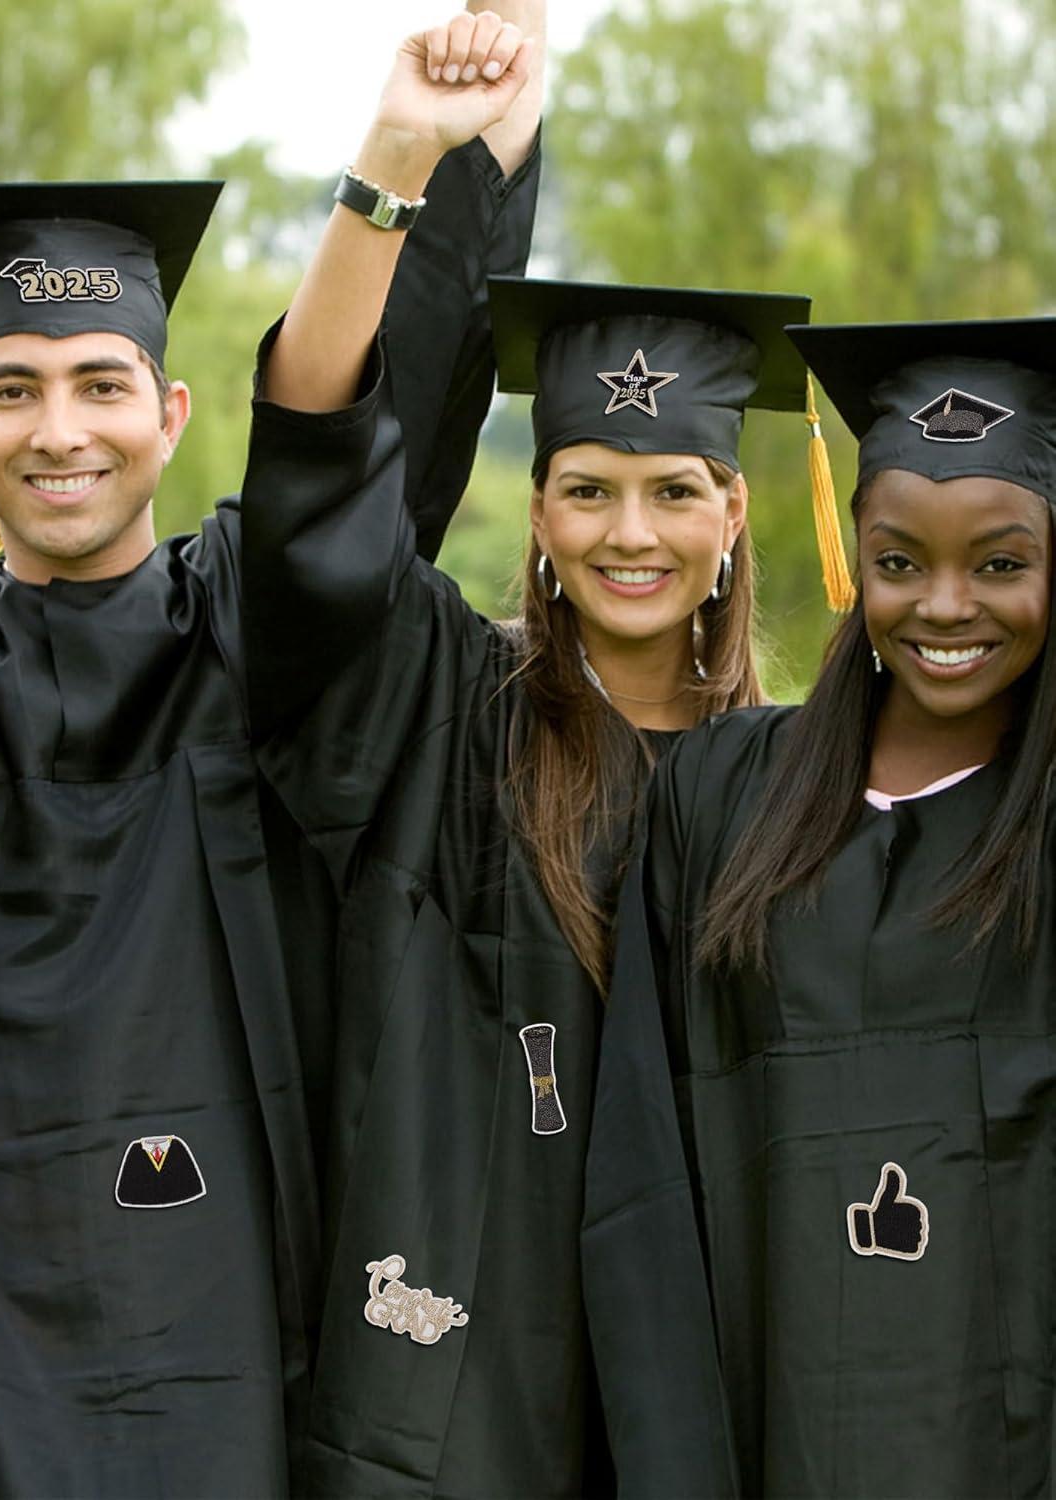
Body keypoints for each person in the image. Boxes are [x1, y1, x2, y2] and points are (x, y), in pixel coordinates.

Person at [0, 13, 542, 1496]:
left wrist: (405, 157)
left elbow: (331, 445)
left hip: (230, 1340)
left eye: (101, 383)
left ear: (169, 412)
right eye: (13, 388)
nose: (58, 430)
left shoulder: (251, 627)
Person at [240, 18, 835, 1489]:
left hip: (709, 1398)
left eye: (673, 489)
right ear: (544, 507)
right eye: (586, 488)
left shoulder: (799, 783)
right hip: (457, 1406)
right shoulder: (443, 715)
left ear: (734, 512)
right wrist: (439, 165)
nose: (631, 533)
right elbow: (333, 487)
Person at [582, 317, 1056, 1496]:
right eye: (899, 563)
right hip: (764, 1442)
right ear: (858, 560)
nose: (945, 606)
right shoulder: (726, 794)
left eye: (1002, 565)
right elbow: (645, 1167)